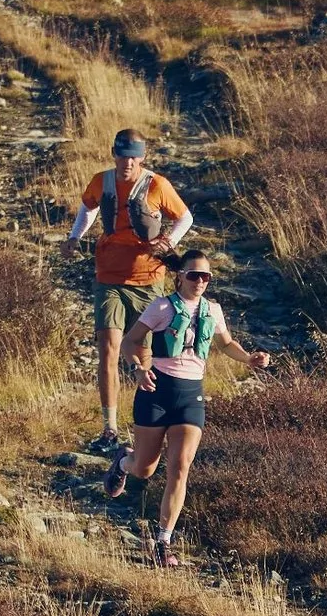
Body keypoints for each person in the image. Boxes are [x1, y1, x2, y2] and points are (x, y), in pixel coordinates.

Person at [111, 255, 273, 568]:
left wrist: (249, 358)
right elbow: (130, 342)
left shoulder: (213, 310)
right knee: (145, 468)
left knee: (180, 466)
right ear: (181, 276)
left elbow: (226, 344)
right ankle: (123, 461)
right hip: (155, 392)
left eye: (206, 277)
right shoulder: (162, 307)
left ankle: (163, 541)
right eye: (195, 276)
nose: (200, 282)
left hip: (190, 396)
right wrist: (137, 369)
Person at [67, 128, 194, 454]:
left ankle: (146, 426)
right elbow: (89, 207)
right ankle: (109, 428)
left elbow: (185, 217)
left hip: (148, 279)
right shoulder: (101, 180)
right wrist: (74, 236)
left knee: (144, 355)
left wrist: (169, 243)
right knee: (108, 348)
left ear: (142, 156)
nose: (128, 162)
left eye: (134, 156)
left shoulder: (156, 184)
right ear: (114, 154)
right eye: (123, 155)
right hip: (109, 276)